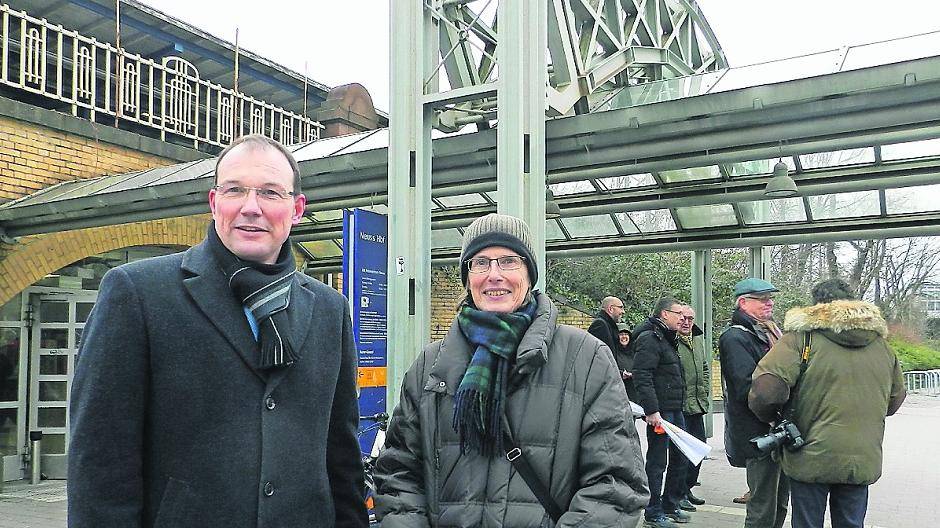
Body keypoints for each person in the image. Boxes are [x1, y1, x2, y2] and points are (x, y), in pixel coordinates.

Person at [68, 135, 368, 528]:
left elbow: (341, 454)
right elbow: (100, 459)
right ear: (213, 203)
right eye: (235, 190)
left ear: (296, 209)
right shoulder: (138, 293)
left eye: (270, 193)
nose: (251, 207)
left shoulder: (329, 308)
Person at [373, 213, 649, 527]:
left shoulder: (585, 358)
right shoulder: (430, 366)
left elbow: (616, 485)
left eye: (508, 261)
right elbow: (397, 476)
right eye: (480, 263)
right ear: (467, 277)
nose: (494, 274)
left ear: (529, 274)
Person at [749, 278, 906, 528]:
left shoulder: (802, 339)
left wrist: (773, 418)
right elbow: (895, 399)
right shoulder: (882, 346)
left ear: (817, 306)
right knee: (851, 523)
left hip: (809, 453)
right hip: (861, 456)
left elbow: (766, 392)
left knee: (808, 523)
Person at [718, 277, 789, 528]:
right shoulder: (735, 338)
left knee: (779, 502)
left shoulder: (766, 332)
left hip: (775, 430)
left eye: (769, 298)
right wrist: (773, 413)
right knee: (762, 506)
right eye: (762, 299)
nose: (769, 303)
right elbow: (745, 387)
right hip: (759, 431)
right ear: (743, 303)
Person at [633, 296, 691, 527]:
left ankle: (670, 504)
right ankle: (653, 510)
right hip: (661, 413)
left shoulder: (669, 339)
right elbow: (643, 375)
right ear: (664, 314)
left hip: (675, 408)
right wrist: (652, 410)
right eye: (678, 314)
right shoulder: (650, 338)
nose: (682, 318)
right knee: (658, 461)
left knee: (681, 457)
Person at [676, 305, 709, 511]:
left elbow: (705, 367)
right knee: (682, 454)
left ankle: (687, 489)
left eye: (690, 318)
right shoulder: (673, 341)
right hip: (681, 406)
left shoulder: (697, 340)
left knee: (699, 449)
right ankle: (677, 493)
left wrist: (704, 390)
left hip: (697, 405)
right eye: (684, 318)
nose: (687, 322)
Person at [615, 322, 639, 401]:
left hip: (635, 394)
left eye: (626, 334)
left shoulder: (635, 351)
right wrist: (622, 374)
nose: (624, 337)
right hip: (619, 394)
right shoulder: (613, 352)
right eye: (621, 334)